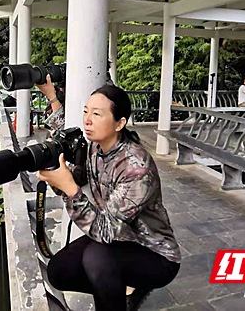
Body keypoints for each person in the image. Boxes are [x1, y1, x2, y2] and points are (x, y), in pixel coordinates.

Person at [35, 82, 181, 311]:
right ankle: (117, 290)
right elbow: (69, 143)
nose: (87, 120)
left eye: (97, 114)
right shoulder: (95, 147)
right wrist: (53, 99)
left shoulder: (136, 168)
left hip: (154, 252)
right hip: (117, 238)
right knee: (58, 272)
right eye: (86, 111)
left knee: (96, 258)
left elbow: (103, 231)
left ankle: (117, 296)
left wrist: (71, 190)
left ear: (119, 123)